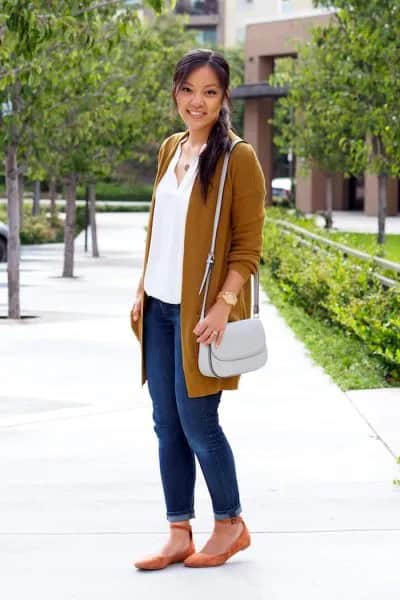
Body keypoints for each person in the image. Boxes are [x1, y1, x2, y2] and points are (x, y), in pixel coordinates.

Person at [130, 48, 266, 570]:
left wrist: (222, 305)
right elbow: (158, 229)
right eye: (189, 90)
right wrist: (142, 287)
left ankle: (231, 523)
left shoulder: (237, 157)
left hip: (200, 315)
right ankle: (178, 530)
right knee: (166, 423)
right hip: (159, 309)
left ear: (224, 96)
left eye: (209, 91)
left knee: (198, 423)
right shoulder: (171, 149)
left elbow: (247, 247)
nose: (197, 101)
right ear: (176, 93)